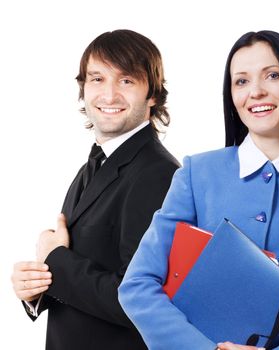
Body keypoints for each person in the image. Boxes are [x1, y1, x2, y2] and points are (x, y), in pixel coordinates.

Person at [118, 30, 279, 350]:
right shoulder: (198, 174)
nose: (256, 92)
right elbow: (137, 285)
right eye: (241, 81)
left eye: (272, 76)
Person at [10, 29, 180, 350]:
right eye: (97, 79)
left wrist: (55, 258)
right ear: (83, 88)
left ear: (153, 94)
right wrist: (38, 288)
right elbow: (87, 269)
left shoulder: (158, 174)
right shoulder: (95, 165)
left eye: (126, 80)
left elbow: (140, 303)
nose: (109, 95)